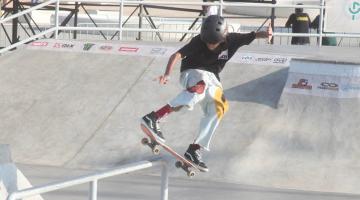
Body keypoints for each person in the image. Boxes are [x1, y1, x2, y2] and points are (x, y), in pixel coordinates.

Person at [140, 15, 272, 172]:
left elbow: (254, 35)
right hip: (191, 72)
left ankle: (195, 149)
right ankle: (154, 117)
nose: (210, 45)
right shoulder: (198, 41)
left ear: (223, 38)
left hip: (213, 78)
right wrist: (167, 74)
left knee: (220, 107)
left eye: (214, 43)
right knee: (200, 87)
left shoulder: (234, 39)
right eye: (208, 42)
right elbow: (176, 55)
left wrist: (267, 34)